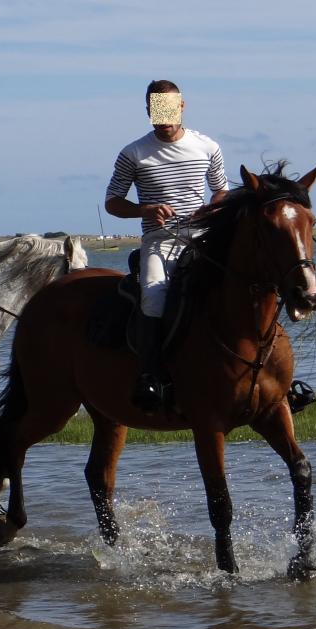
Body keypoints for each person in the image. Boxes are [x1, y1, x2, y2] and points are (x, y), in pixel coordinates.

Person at [104, 80, 228, 411]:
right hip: (160, 241)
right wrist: (144, 209)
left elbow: (221, 190)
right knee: (154, 295)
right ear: (148, 111)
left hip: (203, 237)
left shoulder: (207, 147)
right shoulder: (133, 153)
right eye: (157, 111)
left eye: (170, 110)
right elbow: (112, 202)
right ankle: (150, 374)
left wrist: (213, 207)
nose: (165, 118)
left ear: (182, 107)